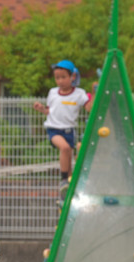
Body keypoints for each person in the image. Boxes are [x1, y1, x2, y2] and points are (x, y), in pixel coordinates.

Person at [32, 60, 94, 198]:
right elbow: (50, 111)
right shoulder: (53, 92)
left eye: (63, 77)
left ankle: (69, 190)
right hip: (54, 130)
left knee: (69, 159)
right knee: (65, 148)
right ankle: (63, 180)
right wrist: (42, 109)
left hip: (69, 131)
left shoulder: (79, 93)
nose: (59, 81)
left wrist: (92, 96)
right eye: (57, 77)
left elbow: (90, 108)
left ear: (72, 77)